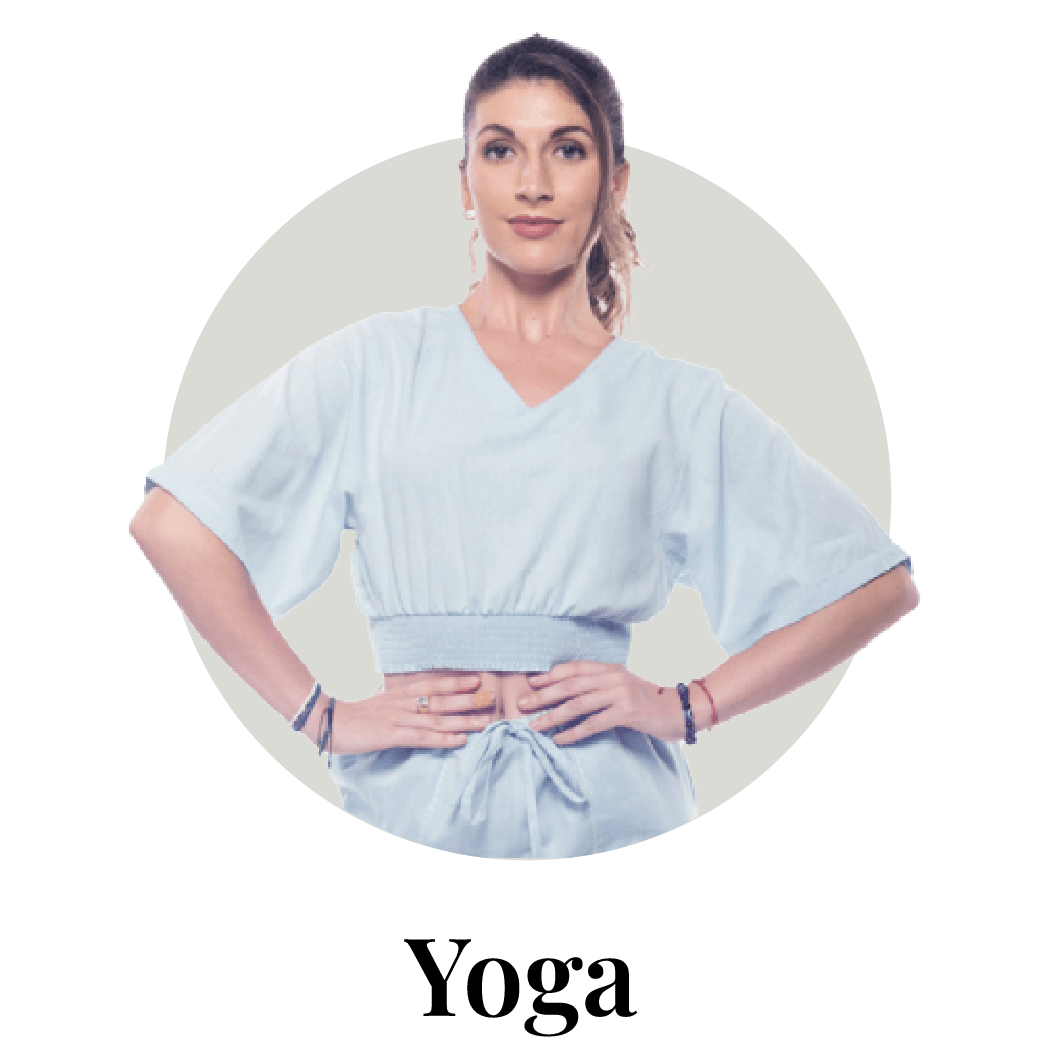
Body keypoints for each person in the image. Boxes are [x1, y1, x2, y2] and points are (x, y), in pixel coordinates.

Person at [129, 33, 919, 858]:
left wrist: (691, 707)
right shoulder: (376, 364)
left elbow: (873, 585)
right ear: (465, 181)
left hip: (615, 812)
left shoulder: (677, 402)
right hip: (411, 805)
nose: (532, 183)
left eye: (567, 149)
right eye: (501, 149)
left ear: (615, 182)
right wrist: (317, 715)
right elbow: (174, 524)